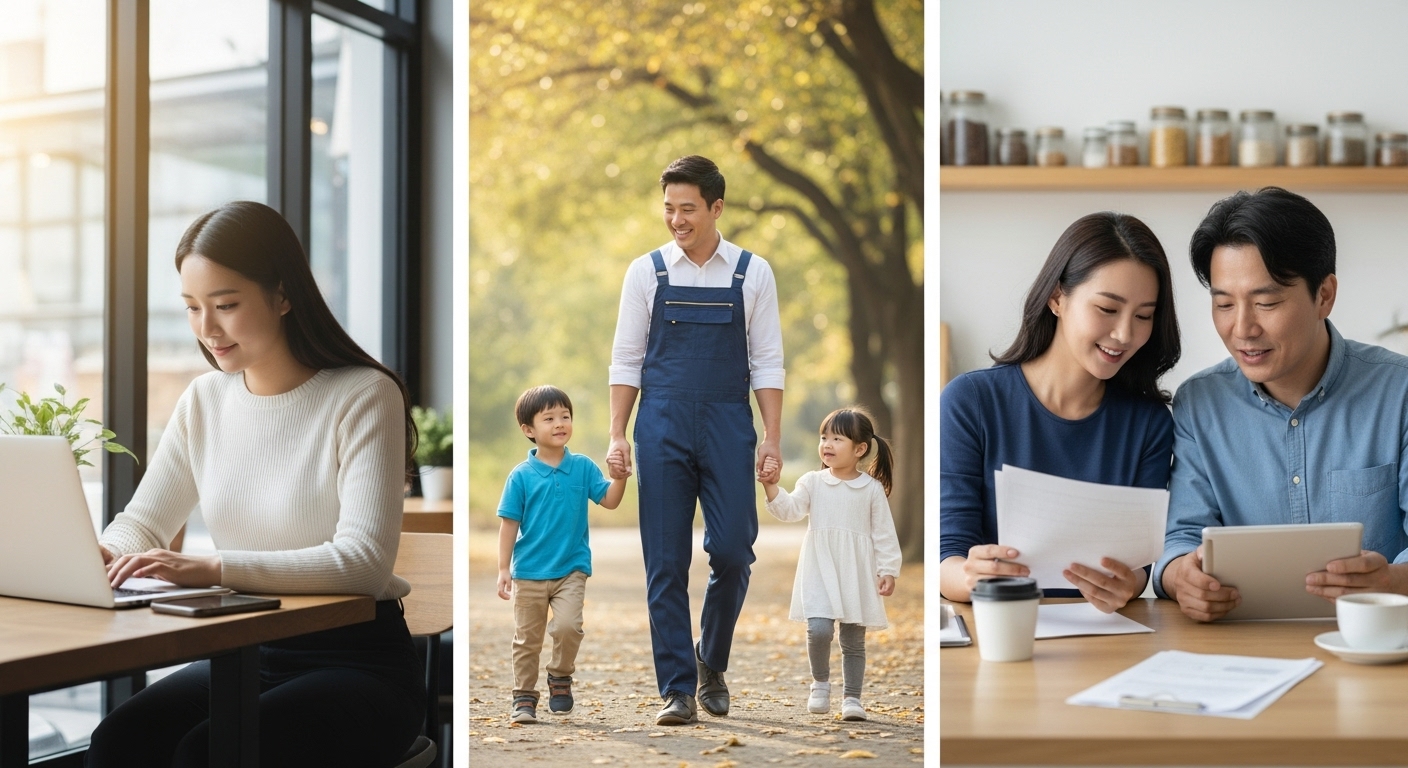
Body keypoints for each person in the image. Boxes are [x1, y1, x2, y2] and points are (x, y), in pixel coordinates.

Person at [86, 201, 425, 767]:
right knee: (121, 741)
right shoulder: (205, 399)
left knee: (210, 753)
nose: (206, 329)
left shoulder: (364, 394)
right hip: (239, 650)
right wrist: (103, 554)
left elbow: (364, 563)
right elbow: (145, 522)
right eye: (192, 308)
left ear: (284, 295)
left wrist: (212, 568)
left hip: (355, 661)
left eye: (226, 305)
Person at [1155, 187, 1408, 622]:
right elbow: (1182, 537)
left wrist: (1394, 581)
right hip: (1243, 646)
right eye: (1223, 304)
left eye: (1266, 302)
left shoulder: (1399, 391)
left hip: (1375, 640)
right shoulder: (1201, 403)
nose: (1243, 328)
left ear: (1324, 296)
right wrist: (1182, 579)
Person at [606, 155, 785, 726]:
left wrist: (771, 438)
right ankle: (678, 688)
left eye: (687, 208)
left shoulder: (753, 273)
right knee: (665, 561)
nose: (676, 219)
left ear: (716, 208)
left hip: (730, 424)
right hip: (659, 425)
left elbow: (768, 361)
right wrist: (618, 433)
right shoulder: (646, 272)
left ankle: (712, 660)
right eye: (668, 208)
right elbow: (627, 358)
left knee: (733, 550)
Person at [939, 212, 1182, 611]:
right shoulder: (971, 402)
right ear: (1057, 298)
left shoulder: (1149, 424)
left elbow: (1139, 565)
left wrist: (1129, 583)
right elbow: (948, 554)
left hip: (1106, 641)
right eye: (1107, 309)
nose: (1124, 334)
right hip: (999, 631)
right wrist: (970, 575)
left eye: (1143, 316)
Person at [759, 407, 901, 722]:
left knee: (852, 637)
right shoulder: (813, 482)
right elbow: (790, 510)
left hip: (856, 572)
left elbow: (884, 535)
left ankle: (852, 698)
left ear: (860, 449)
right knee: (820, 629)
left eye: (837, 438)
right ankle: (820, 683)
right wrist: (771, 485)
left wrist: (888, 569)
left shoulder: (871, 489)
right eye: (824, 437)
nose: (827, 444)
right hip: (820, 569)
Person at [497, 385, 627, 724]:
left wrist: (620, 478)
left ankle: (560, 677)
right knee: (528, 639)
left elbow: (610, 500)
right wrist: (503, 568)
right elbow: (509, 525)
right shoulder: (521, 476)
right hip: (529, 571)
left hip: (572, 568)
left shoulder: (582, 467)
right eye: (549, 418)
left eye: (565, 416)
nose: (560, 423)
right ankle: (524, 696)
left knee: (569, 627)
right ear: (529, 430)